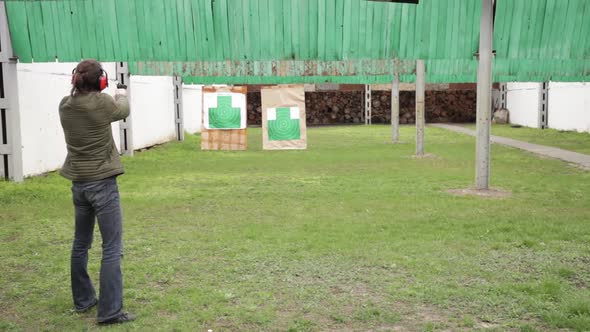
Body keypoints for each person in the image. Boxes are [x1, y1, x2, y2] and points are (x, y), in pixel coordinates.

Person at [58, 59, 135, 325]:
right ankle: (110, 312)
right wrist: (121, 92)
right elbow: (122, 109)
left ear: (75, 79)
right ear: (101, 81)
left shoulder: (65, 105)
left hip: (78, 184)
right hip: (102, 183)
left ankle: (83, 300)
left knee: (81, 244)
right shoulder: (103, 104)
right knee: (112, 247)